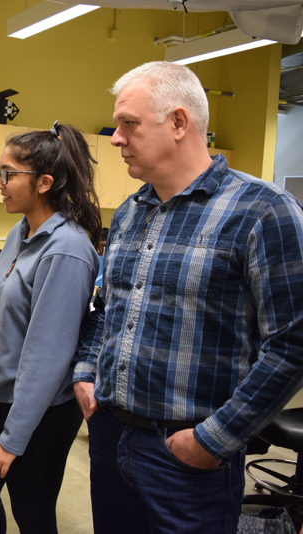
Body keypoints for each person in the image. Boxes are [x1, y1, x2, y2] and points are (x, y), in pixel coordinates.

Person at [73, 60, 303, 534]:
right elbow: (106, 308)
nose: (115, 138)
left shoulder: (263, 211)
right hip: (110, 436)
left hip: (187, 454)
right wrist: (85, 372)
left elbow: (292, 345)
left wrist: (216, 439)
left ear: (178, 122)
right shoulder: (131, 212)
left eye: (128, 124)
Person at [0, 123, 101, 534]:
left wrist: (12, 440)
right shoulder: (20, 232)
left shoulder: (67, 249)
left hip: (46, 407)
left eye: (8, 174)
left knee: (32, 512)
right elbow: (3, 325)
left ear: (44, 183)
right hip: (3, 392)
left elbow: (47, 356)